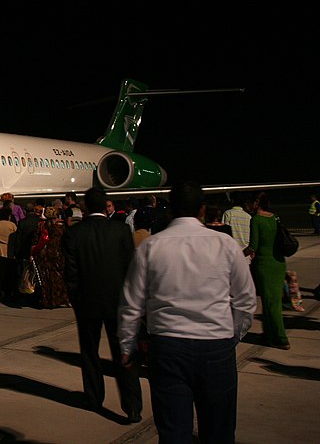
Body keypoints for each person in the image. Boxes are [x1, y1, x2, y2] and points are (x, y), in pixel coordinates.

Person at [118, 180, 257, 443]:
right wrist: (233, 336)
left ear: (170, 211)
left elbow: (131, 302)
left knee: (173, 431)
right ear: (202, 210)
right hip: (216, 346)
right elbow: (246, 300)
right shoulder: (225, 245)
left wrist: (127, 345)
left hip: (168, 347)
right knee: (219, 430)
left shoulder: (151, 246)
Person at [62, 187, 142, 422]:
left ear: (84, 207)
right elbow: (130, 268)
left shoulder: (74, 234)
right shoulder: (120, 230)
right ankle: (132, 406)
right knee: (124, 353)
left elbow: (71, 274)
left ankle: (94, 398)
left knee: (89, 352)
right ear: (105, 205)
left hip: (87, 302)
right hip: (118, 302)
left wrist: (76, 299)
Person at [245, 191, 291, 349]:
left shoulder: (256, 220)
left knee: (270, 303)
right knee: (274, 301)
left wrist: (237, 254)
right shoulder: (275, 217)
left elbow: (253, 246)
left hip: (265, 265)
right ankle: (269, 335)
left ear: (256, 203)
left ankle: (281, 337)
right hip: (279, 263)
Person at [31, 201, 69, 309]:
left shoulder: (41, 226)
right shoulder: (60, 227)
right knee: (58, 278)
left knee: (45, 279)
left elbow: (35, 240)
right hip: (57, 255)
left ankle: (47, 299)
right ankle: (58, 299)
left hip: (44, 255)